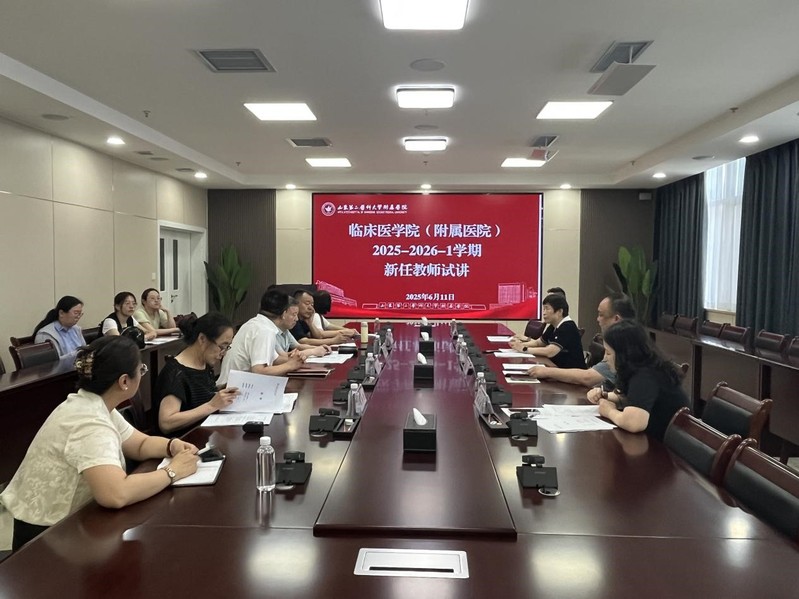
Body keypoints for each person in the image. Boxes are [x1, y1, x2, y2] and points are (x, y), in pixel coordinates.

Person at [0, 336, 199, 550]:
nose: (142, 375)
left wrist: (171, 446)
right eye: (141, 370)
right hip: (45, 536)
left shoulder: (95, 404)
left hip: (67, 524)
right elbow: (115, 494)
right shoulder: (89, 422)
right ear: (124, 381)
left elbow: (139, 444)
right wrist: (172, 472)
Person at [589, 320, 689, 441]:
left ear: (624, 355)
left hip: (666, 446)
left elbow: (634, 423)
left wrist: (609, 411)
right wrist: (605, 396)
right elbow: (633, 398)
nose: (605, 358)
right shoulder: (642, 366)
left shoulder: (645, 376)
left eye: (609, 353)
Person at [154, 312, 240, 436]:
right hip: (184, 441)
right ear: (202, 339)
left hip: (206, 433)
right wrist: (211, 406)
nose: (224, 353)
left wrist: (223, 390)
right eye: (222, 346)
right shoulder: (176, 373)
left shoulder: (204, 364)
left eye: (227, 347)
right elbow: (166, 423)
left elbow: (200, 395)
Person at [528, 293, 635, 387]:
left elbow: (588, 377)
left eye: (601, 315)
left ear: (616, 319)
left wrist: (547, 372)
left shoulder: (625, 344)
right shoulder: (618, 339)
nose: (597, 319)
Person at [217, 290, 306, 385]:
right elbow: (259, 371)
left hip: (232, 385)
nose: (296, 318)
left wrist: (293, 358)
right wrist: (290, 365)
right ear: (284, 314)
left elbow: (275, 360)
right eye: (293, 314)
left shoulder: (256, 323)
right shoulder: (265, 330)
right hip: (231, 389)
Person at [509, 293, 586, 369]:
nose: (544, 313)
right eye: (544, 309)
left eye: (547, 309)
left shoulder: (567, 326)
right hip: (555, 366)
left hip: (571, 371)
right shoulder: (553, 325)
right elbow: (538, 343)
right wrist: (519, 345)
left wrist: (524, 349)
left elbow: (550, 352)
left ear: (559, 311)